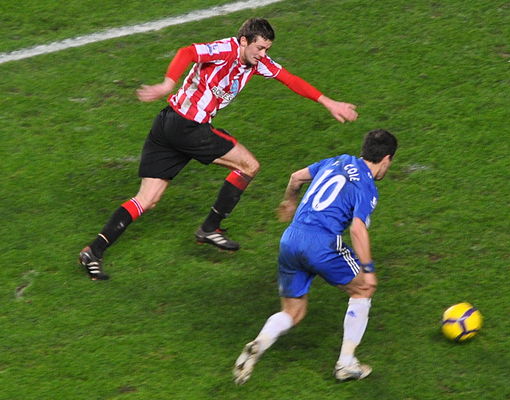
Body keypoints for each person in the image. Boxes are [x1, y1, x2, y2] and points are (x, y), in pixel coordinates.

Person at [78, 18, 358, 280]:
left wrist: (328, 102)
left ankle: (94, 251)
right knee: (249, 165)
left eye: (267, 49)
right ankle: (210, 227)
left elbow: (289, 79)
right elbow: (187, 52)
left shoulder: (257, 63)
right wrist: (167, 82)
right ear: (244, 41)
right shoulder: (225, 49)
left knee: (147, 199)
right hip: (188, 126)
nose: (263, 54)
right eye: (259, 47)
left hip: (167, 124)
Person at [233, 129, 397, 384]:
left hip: (290, 239)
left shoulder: (336, 160)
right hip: (323, 243)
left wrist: (289, 201)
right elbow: (357, 228)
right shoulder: (367, 186)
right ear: (386, 159)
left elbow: (296, 177)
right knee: (363, 289)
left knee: (293, 310)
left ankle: (260, 342)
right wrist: (368, 268)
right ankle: (346, 364)